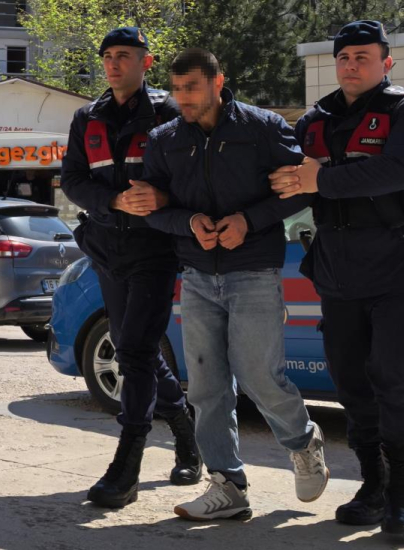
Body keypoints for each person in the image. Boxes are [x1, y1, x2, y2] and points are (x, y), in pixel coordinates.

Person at [269, 20, 404, 538]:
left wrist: (320, 178)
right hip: (341, 269)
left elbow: (399, 171)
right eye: (344, 57)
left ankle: (402, 497)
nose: (351, 65)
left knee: (398, 378)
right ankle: (373, 485)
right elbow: (287, 182)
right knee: (351, 382)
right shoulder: (314, 120)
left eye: (363, 57)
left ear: (386, 63)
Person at [139, 48, 329, 521]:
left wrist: (249, 220)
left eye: (192, 88)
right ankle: (227, 485)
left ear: (218, 83)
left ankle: (303, 441)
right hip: (197, 276)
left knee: (260, 376)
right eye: (176, 89)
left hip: (254, 271)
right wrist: (189, 223)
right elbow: (153, 208)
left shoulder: (262, 127)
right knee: (206, 387)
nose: (183, 98)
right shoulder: (164, 139)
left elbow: (298, 190)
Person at [60, 27, 202, 509]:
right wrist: (114, 201)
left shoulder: (169, 112)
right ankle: (185, 431)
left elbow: (193, 177)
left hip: (154, 250)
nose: (114, 63)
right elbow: (72, 180)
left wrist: (161, 196)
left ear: (147, 61)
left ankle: (127, 466)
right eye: (107, 56)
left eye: (124, 55)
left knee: (136, 351)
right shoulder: (87, 117)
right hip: (106, 249)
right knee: (131, 347)